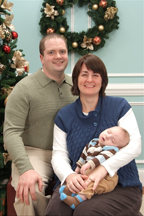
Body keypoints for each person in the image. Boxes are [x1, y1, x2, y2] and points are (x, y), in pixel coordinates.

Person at [45, 54, 142, 216]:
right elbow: (59, 155)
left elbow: (135, 145)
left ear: (102, 80)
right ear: (76, 79)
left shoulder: (120, 106)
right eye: (84, 74)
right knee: (56, 211)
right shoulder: (64, 115)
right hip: (77, 182)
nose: (89, 80)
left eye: (95, 75)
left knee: (86, 212)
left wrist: (104, 168)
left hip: (121, 186)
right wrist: (69, 176)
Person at [3, 33, 77, 216]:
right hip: (35, 151)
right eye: (51, 52)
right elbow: (11, 132)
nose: (58, 56)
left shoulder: (77, 86)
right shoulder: (24, 88)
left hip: (70, 152)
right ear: (41, 58)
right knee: (29, 191)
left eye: (62, 51)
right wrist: (26, 169)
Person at [59, 126, 130, 209]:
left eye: (112, 140)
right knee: (81, 178)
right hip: (90, 170)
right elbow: (84, 153)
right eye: (108, 132)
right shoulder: (93, 142)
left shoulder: (112, 149)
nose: (107, 136)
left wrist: (89, 164)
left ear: (118, 147)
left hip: (106, 178)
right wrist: (79, 166)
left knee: (91, 185)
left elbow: (101, 158)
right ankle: (71, 191)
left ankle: (77, 200)